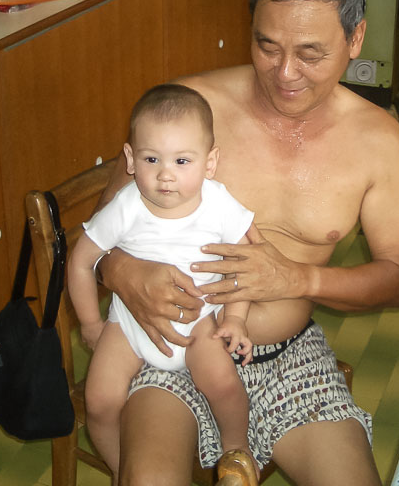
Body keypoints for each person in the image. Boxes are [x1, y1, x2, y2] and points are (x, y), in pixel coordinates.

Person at [91, 0, 399, 486]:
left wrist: (299, 278)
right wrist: (123, 270)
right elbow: (99, 238)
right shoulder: (191, 109)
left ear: (355, 38)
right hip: (173, 350)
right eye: (267, 47)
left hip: (290, 356)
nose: (285, 72)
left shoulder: (377, 140)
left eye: (310, 53)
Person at [68, 84, 261, 479]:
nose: (166, 175)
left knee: (224, 386)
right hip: (129, 325)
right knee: (99, 402)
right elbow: (81, 261)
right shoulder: (125, 207)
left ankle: (237, 452)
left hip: (199, 323)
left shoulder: (219, 203)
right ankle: (120, 469)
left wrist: (236, 318)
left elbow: (244, 264)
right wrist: (89, 323)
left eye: (182, 161)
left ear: (210, 162)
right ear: (130, 159)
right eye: (152, 158)